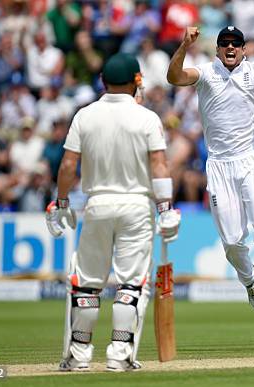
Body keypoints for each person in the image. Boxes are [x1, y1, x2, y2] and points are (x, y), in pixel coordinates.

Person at [45, 53, 181, 372]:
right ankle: (119, 354)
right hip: (137, 206)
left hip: (98, 204)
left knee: (88, 283)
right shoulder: (146, 117)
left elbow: (67, 165)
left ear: (103, 82)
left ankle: (79, 354)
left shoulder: (85, 115)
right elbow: (159, 165)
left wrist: (61, 202)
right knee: (130, 284)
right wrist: (166, 209)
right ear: (137, 80)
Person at [167, 25, 254, 313]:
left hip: (251, 160)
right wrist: (185, 45)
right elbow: (175, 77)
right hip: (219, 165)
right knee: (231, 241)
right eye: (224, 43)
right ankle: (250, 280)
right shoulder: (205, 72)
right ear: (217, 49)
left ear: (244, 49)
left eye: (235, 44)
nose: (230, 48)